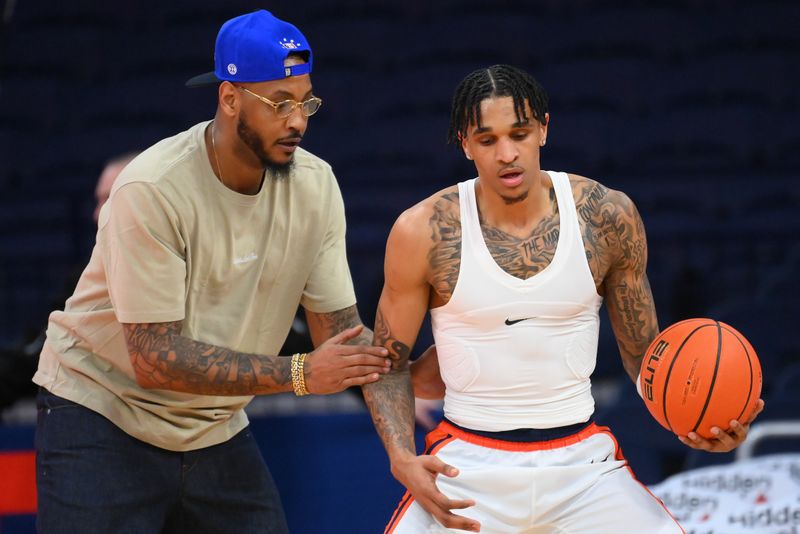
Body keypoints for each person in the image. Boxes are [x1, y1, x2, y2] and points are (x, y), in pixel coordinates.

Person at [362, 64, 764, 533]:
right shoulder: (423, 231)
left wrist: (695, 422)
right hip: (467, 465)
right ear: (464, 143)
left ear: (544, 129)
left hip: (583, 468)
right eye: (487, 140)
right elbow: (387, 364)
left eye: (520, 133)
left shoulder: (607, 216)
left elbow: (645, 360)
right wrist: (401, 457)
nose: (507, 154)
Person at [32, 10, 391, 533]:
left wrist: (401, 372)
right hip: (101, 410)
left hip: (212, 423)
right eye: (280, 103)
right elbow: (154, 358)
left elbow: (339, 338)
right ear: (229, 99)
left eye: (306, 101)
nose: (298, 121)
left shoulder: (316, 186)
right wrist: (299, 373)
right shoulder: (153, 188)